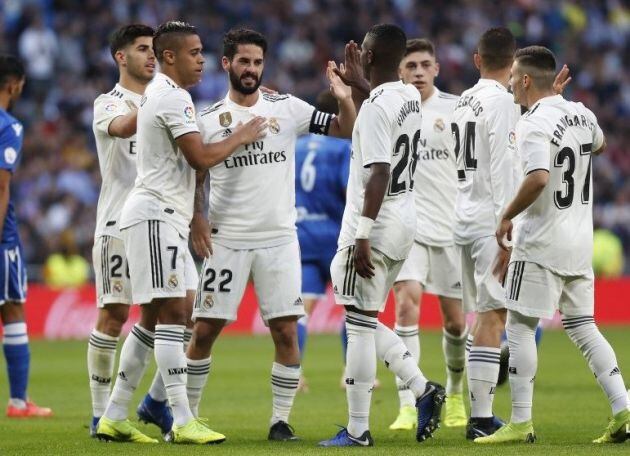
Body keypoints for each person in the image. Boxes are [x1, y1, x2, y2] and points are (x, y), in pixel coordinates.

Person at [95, 21, 266, 445]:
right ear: (169, 57)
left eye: (202, 51)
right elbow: (199, 156)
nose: (202, 60)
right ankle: (181, 417)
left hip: (164, 217)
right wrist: (243, 135)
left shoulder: (163, 94)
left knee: (164, 314)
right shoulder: (172, 97)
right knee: (176, 311)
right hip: (153, 215)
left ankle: (116, 413)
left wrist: (195, 216)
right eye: (194, 52)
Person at [187, 28, 355, 442]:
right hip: (226, 238)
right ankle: (186, 416)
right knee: (206, 329)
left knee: (284, 329)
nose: (251, 69)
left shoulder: (287, 108)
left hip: (280, 239)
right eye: (243, 61)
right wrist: (197, 217)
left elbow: (343, 130)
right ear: (227, 64)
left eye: (257, 62)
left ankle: (280, 421)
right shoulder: (208, 119)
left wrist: (346, 97)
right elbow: (196, 171)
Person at [476, 45, 630, 445]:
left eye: (513, 77)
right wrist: (561, 103)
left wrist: (507, 214)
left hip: (541, 241)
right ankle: (623, 409)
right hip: (579, 243)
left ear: (526, 80)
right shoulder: (582, 112)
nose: (509, 84)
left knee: (521, 326)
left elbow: (540, 177)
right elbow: (595, 145)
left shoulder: (532, 122)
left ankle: (520, 422)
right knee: (584, 328)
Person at [319, 24, 445, 448]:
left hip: (376, 221)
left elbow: (379, 173)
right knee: (367, 318)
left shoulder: (374, 108)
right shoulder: (409, 95)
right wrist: (360, 82)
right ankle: (423, 389)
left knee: (357, 323)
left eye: (365, 53)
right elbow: (382, 98)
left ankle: (357, 430)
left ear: (370, 56)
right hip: (406, 221)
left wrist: (361, 234)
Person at [88, 24, 200, 439]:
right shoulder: (108, 102)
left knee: (182, 308)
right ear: (121, 57)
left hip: (164, 219)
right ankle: (101, 415)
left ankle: (150, 402)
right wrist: (158, 101)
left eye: (154, 49)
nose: (151, 56)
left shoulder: (167, 98)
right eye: (141, 49)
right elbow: (121, 128)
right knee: (115, 314)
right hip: (118, 223)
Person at [388, 38, 468, 431]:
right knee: (407, 306)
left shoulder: (455, 109)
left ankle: (454, 394)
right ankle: (408, 402)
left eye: (424, 65)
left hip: (451, 232)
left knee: (455, 323)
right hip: (408, 230)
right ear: (399, 71)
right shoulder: (389, 110)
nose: (418, 72)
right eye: (410, 66)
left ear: (436, 68)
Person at [451, 27, 521, 439]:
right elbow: (504, 167)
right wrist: (506, 229)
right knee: (494, 316)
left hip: (463, 216)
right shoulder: (503, 103)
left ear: (477, 59)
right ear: (513, 64)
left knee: (485, 316)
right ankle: (480, 419)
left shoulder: (463, 100)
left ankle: (480, 414)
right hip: (490, 223)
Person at [0, 54, 52, 418]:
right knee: (13, 308)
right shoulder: (8, 126)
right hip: (2, 238)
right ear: (14, 83)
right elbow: (1, 185)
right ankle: (19, 402)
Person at [294, 90, 351, 392]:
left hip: (302, 236)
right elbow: (348, 188)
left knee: (302, 309)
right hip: (336, 238)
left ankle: (294, 373)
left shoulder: (297, 147)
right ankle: (348, 373)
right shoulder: (342, 147)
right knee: (351, 307)